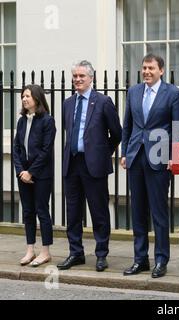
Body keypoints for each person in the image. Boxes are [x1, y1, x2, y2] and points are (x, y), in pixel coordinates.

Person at [121, 54, 179, 278]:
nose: (146, 71)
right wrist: (124, 153)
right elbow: (127, 125)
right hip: (136, 157)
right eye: (144, 67)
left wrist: (175, 156)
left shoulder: (173, 93)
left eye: (151, 68)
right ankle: (140, 259)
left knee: (159, 213)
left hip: (160, 160)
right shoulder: (133, 92)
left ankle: (160, 259)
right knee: (138, 212)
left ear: (161, 70)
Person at [57, 60, 122, 272]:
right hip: (72, 164)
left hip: (94, 166)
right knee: (73, 212)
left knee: (99, 212)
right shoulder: (67, 103)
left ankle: (101, 254)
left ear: (91, 78)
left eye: (81, 76)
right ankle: (76, 253)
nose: (77, 79)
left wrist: (103, 154)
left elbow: (117, 133)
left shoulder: (103, 102)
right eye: (75, 76)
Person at [13, 84, 56, 267]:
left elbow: (46, 151)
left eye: (28, 96)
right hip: (23, 174)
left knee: (42, 210)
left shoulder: (47, 121)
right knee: (28, 212)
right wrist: (21, 171)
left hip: (41, 174)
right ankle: (30, 249)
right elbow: (16, 148)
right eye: (23, 96)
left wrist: (31, 172)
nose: (24, 99)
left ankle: (45, 251)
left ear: (37, 99)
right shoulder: (22, 121)